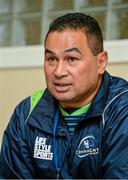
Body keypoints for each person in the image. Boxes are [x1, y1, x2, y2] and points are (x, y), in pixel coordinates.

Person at [0, 12, 128, 179]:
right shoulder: (26, 114)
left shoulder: (122, 110)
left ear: (101, 62)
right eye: (51, 59)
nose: (58, 72)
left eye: (72, 59)